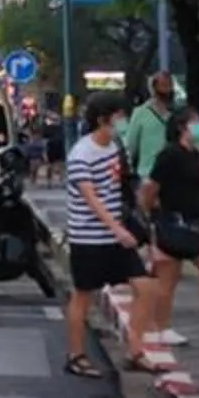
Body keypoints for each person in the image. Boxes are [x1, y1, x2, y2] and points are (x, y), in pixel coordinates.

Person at [64, 95, 160, 378]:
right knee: (83, 296)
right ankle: (76, 355)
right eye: (118, 117)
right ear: (102, 119)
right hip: (89, 238)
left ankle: (135, 351)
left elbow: (120, 190)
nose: (123, 122)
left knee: (146, 287)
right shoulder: (81, 153)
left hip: (117, 237)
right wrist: (117, 229)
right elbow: (91, 198)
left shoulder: (114, 148)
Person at [141, 111, 199, 348]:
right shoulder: (169, 155)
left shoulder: (196, 155)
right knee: (167, 280)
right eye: (195, 122)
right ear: (182, 127)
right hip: (172, 223)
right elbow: (150, 188)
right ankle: (161, 328)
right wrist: (151, 216)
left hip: (194, 223)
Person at [122, 70, 178, 186]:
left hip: (173, 174)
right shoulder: (140, 113)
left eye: (169, 85)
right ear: (153, 88)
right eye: (164, 85)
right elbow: (131, 145)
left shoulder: (178, 113)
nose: (167, 90)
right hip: (148, 174)